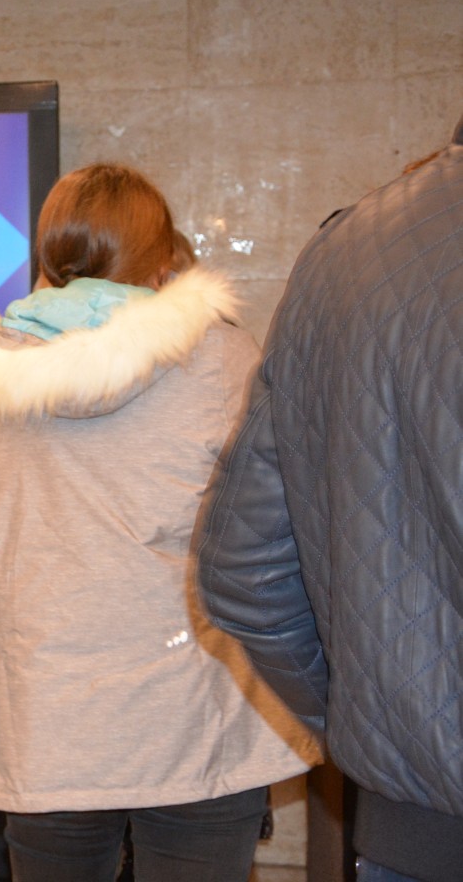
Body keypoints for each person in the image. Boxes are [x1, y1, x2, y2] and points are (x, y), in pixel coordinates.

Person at [0, 165, 317, 881]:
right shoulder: (219, 358)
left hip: (42, 707)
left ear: (51, 252)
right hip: (191, 704)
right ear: (161, 257)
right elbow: (270, 530)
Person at [196, 117, 463, 882]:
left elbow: (242, 570)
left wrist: (372, 718)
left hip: (415, 827)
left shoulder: (348, 250)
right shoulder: (211, 353)